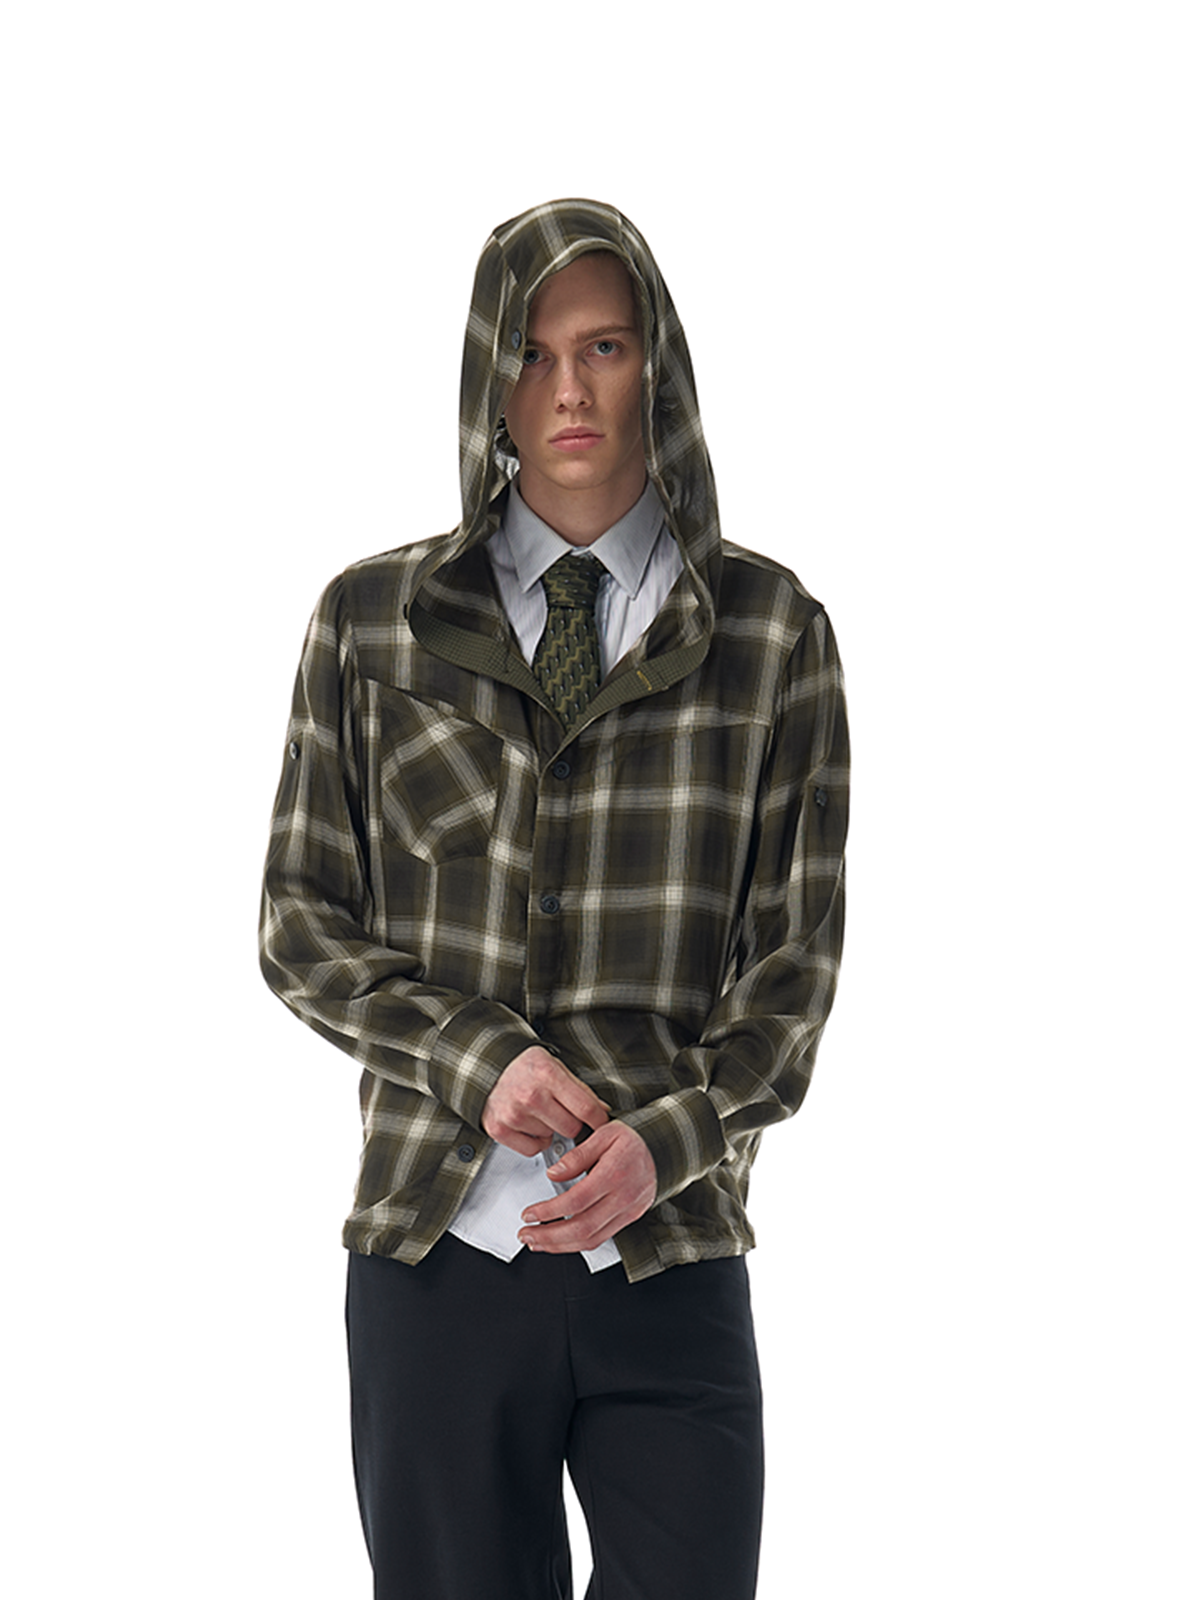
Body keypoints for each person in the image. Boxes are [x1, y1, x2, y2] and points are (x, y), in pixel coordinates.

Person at [259, 197, 849, 1600]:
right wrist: (481, 1059)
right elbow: (299, 923)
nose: (569, 389)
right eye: (531, 353)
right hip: (435, 1260)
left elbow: (792, 977)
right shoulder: (373, 625)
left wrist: (668, 1139)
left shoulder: (772, 638)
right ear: (490, 377)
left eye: (605, 347)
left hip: (672, 1255)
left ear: (659, 368)